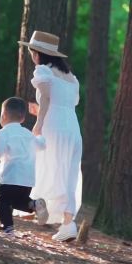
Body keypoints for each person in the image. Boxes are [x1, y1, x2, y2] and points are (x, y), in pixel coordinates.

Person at [18, 30, 83, 242]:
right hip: (72, 128)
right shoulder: (71, 78)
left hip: (53, 126)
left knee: (43, 164)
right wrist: (40, 112)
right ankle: (68, 224)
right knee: (68, 173)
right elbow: (65, 104)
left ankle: (34, 204)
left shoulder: (43, 71)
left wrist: (39, 121)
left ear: (37, 54)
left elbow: (46, 97)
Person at [0, 97, 49, 237]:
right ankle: (34, 204)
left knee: (2, 201)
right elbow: (42, 145)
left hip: (10, 177)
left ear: (3, 116)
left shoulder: (3, 133)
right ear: (23, 118)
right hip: (27, 179)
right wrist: (40, 135)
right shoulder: (28, 135)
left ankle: (7, 228)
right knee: (19, 201)